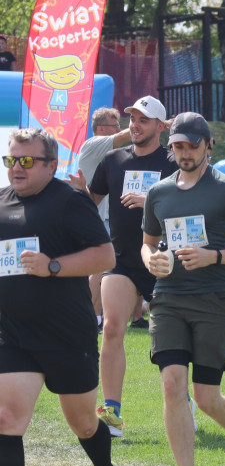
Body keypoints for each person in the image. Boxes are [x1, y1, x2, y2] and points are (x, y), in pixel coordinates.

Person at [0, 129, 122, 466]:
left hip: (66, 332)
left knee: (83, 423)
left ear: (51, 165)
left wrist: (52, 265)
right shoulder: (0, 202)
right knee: (6, 419)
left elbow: (105, 256)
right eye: (11, 160)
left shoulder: (69, 201)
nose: (17, 168)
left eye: (26, 161)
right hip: (13, 333)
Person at [141, 112, 225, 466]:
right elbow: (147, 243)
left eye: (191, 146)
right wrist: (152, 261)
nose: (184, 153)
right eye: (177, 146)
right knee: (172, 384)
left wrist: (213, 257)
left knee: (208, 397)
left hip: (214, 300)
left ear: (208, 146)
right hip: (168, 299)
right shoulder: (159, 193)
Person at [87, 97, 178, 437]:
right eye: (133, 119)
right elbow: (89, 201)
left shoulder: (173, 161)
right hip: (122, 259)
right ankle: (111, 413)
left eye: (144, 119)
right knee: (111, 328)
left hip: (163, 260)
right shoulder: (113, 159)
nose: (136, 125)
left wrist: (152, 199)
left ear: (160, 126)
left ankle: (183, 400)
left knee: (170, 339)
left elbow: (190, 210)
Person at [69, 107, 132, 330]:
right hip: (93, 217)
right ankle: (91, 317)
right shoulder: (94, 144)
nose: (120, 129)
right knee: (100, 266)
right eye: (115, 125)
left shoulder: (109, 154)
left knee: (102, 267)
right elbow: (128, 135)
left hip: (100, 217)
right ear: (101, 129)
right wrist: (157, 123)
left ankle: (99, 316)